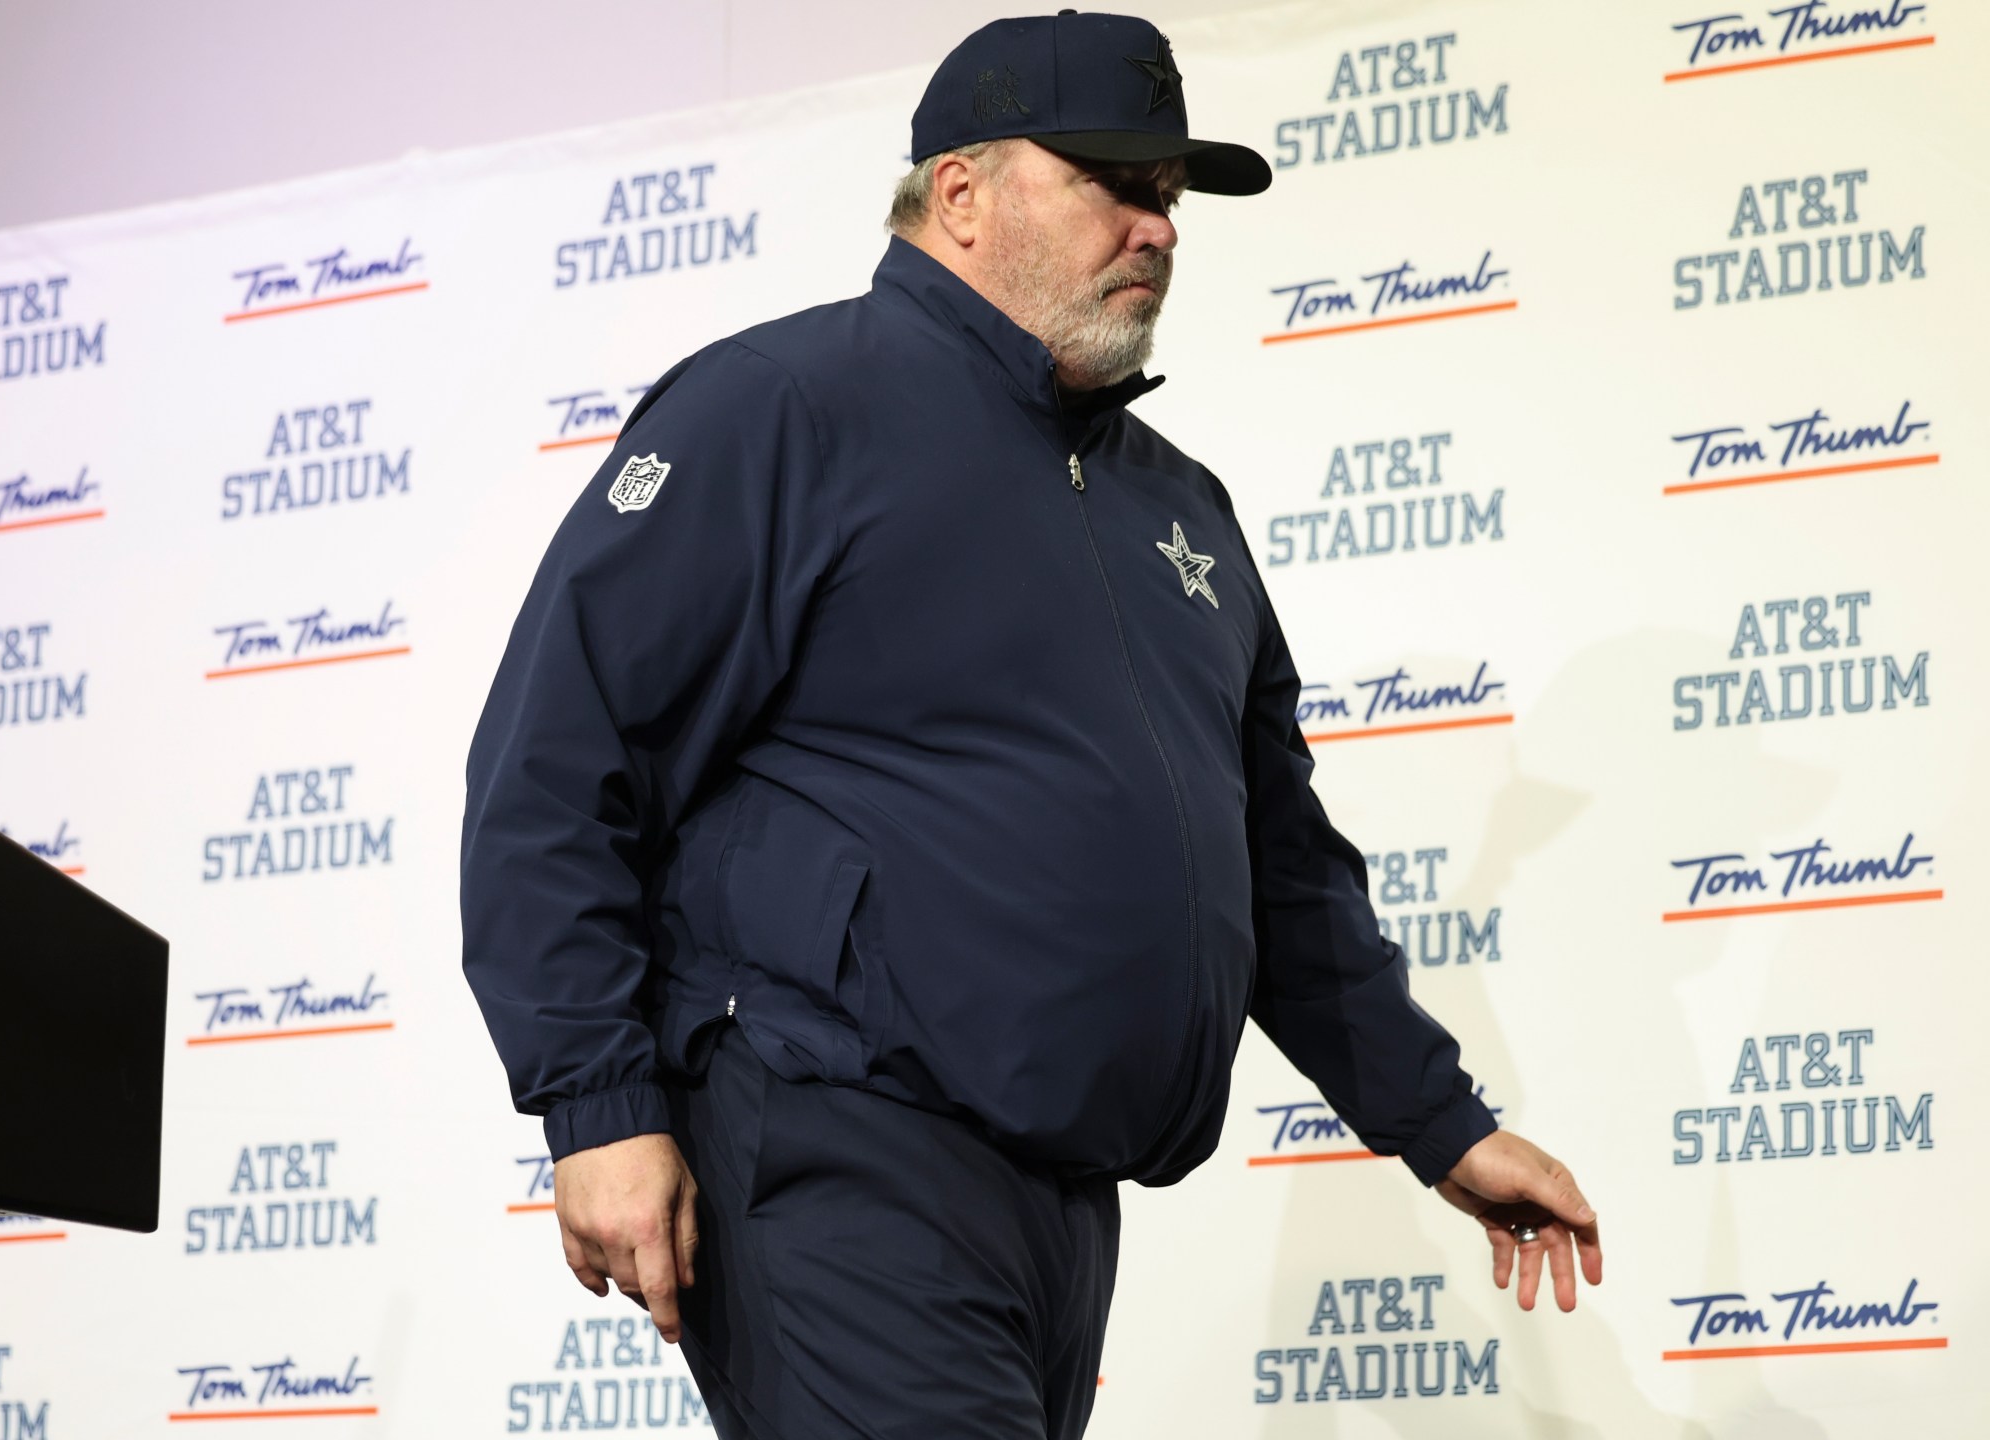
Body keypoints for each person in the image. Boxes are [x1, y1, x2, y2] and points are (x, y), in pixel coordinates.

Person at [460, 12, 1600, 1437]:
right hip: (839, 1139)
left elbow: (1283, 872)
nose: (1156, 228)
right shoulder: (782, 409)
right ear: (961, 192)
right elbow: (557, 765)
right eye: (1113, 182)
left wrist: (1444, 1127)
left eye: (1169, 198)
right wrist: (599, 1106)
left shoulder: (1178, 506)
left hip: (1065, 1204)